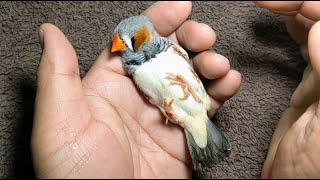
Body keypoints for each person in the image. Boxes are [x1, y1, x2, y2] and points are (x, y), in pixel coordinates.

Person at [31, 1, 320, 178]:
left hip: (192, 99)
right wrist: (172, 109)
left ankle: (199, 127)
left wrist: (188, 83)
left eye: (129, 40)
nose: (119, 47)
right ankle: (198, 130)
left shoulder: (167, 48)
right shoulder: (138, 71)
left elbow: (184, 69)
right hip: (177, 109)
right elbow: (156, 98)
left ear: (147, 37)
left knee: (206, 72)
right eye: (120, 41)